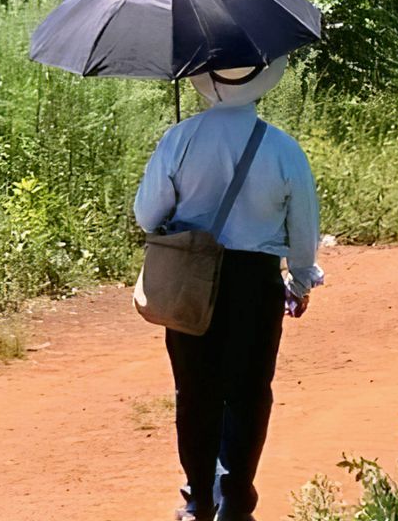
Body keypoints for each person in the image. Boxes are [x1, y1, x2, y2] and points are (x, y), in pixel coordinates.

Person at [134, 57, 322, 521]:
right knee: (250, 390)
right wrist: (300, 280)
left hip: (191, 277)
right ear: (260, 81)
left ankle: (199, 497)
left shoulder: (180, 139)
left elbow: (147, 215)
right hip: (255, 281)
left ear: (207, 81)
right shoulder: (283, 149)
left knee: (194, 391)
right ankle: (235, 499)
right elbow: (303, 228)